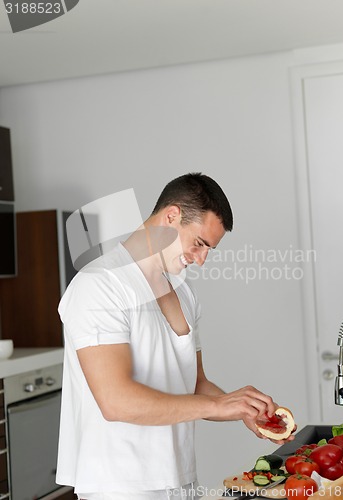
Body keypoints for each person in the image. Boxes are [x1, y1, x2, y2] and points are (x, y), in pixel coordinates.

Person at [56, 173, 294, 500]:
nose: (201, 260)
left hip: (180, 482)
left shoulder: (183, 292)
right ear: (171, 217)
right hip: (121, 488)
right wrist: (218, 405)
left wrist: (242, 408)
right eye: (199, 244)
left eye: (209, 250)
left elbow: (193, 384)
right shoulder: (100, 285)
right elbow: (115, 401)